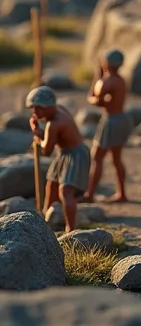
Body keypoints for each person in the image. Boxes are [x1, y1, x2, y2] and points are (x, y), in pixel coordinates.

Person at [27, 85, 91, 233]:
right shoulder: (59, 109)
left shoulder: (53, 124)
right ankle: (46, 219)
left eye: (38, 108)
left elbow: (47, 150)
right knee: (52, 185)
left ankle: (71, 228)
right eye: (33, 108)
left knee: (66, 190)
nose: (35, 112)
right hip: (63, 154)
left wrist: (37, 134)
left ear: (48, 107)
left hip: (75, 155)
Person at [83, 49, 133, 203]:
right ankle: (122, 192)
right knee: (116, 158)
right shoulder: (121, 80)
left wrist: (97, 75)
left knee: (97, 156)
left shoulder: (108, 80)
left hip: (111, 120)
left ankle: (90, 193)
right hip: (122, 118)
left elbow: (95, 99)